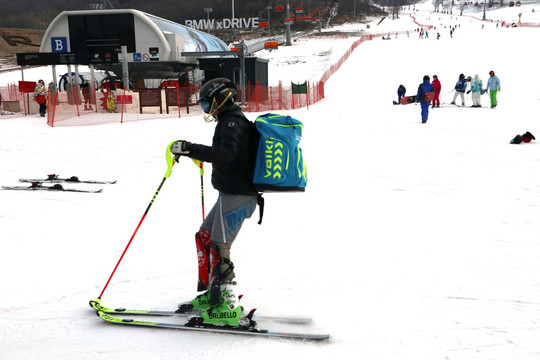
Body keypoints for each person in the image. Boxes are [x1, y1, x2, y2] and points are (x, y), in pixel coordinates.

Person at [170, 78, 259, 328]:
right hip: (229, 192)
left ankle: (228, 306)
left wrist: (191, 149)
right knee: (206, 236)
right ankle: (215, 293)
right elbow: (226, 154)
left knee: (221, 247)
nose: (206, 109)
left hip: (239, 194)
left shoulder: (233, 122)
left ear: (221, 98)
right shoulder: (228, 120)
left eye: (207, 103)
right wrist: (195, 153)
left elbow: (227, 154)